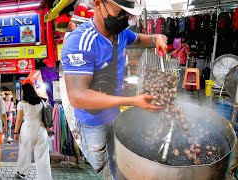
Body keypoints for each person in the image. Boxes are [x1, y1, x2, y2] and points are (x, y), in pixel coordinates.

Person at [61, 0, 167, 179]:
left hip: (114, 115)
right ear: (97, 4)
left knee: (116, 159)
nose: (125, 18)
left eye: (128, 14)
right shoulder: (80, 42)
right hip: (92, 122)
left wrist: (157, 38)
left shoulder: (121, 34)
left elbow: (140, 39)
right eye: (120, 12)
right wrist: (132, 101)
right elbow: (78, 96)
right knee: (99, 166)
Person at [14, 83, 52, 180]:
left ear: (24, 92)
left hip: (27, 129)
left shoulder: (21, 103)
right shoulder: (41, 101)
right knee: (43, 155)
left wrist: (15, 132)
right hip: (41, 129)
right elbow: (45, 116)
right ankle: (45, 177)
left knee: (25, 151)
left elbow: (18, 119)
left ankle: (22, 173)